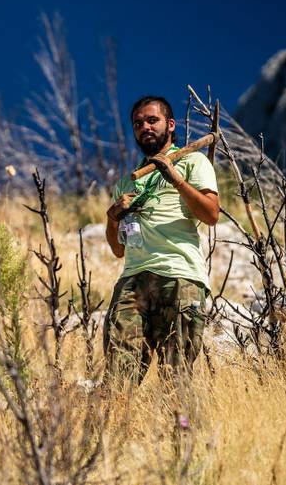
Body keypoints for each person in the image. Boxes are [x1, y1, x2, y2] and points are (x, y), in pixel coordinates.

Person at [103, 96, 220, 384]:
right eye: (138, 123)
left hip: (179, 277)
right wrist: (112, 217)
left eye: (152, 120)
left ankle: (180, 418)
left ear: (170, 125)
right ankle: (117, 415)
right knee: (117, 379)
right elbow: (118, 249)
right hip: (132, 281)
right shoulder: (127, 182)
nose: (144, 127)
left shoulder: (193, 161)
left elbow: (211, 214)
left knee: (176, 379)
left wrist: (176, 180)